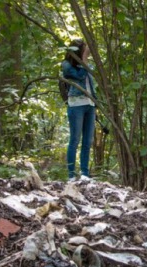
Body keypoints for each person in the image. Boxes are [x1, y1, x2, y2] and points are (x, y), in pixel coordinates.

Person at [62, 39, 96, 182]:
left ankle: (84, 174)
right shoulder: (67, 65)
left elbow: (91, 84)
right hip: (76, 105)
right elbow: (81, 75)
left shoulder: (86, 64)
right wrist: (85, 59)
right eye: (84, 50)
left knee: (87, 141)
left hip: (90, 104)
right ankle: (71, 175)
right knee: (75, 140)